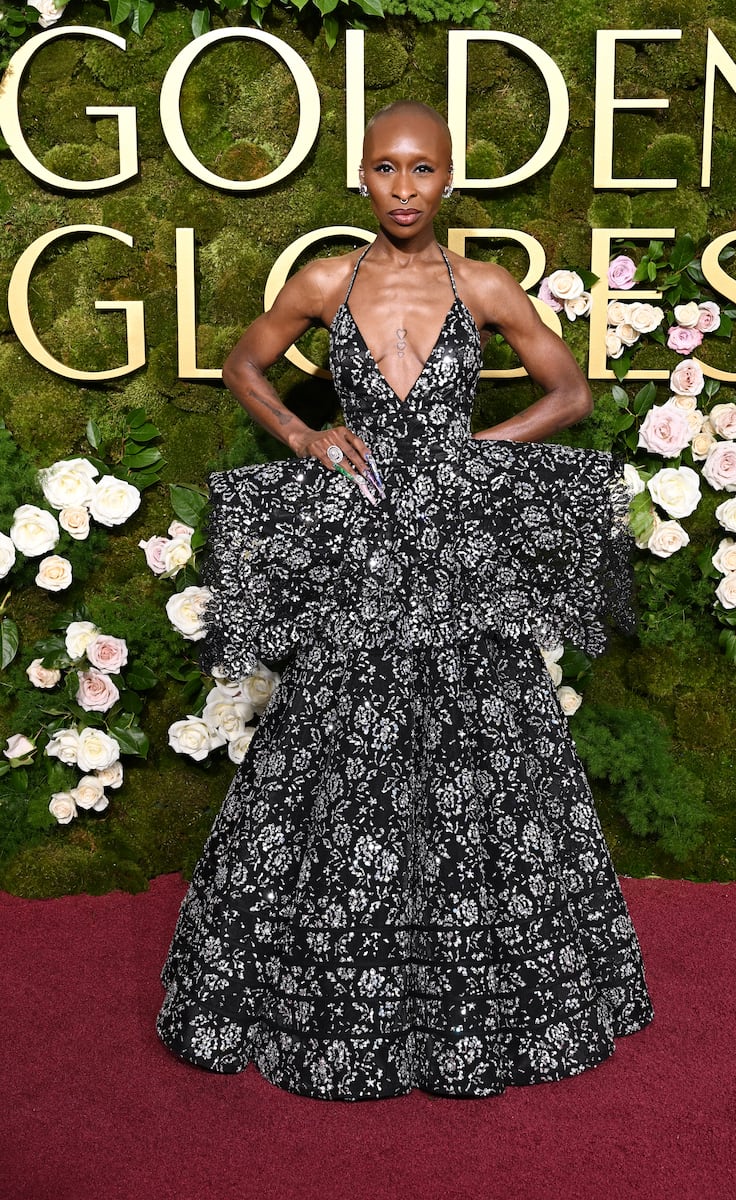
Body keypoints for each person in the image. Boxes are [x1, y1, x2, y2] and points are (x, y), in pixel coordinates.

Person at [156, 100, 654, 1100]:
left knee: (486, 750)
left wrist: (477, 453)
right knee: (333, 743)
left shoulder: (482, 285)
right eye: (385, 169)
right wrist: (304, 440)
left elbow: (567, 393)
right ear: (361, 175)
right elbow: (243, 366)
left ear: (447, 177)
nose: (401, 188)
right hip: (361, 550)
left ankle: (491, 981)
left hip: (456, 556)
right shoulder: (324, 281)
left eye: (420, 170)